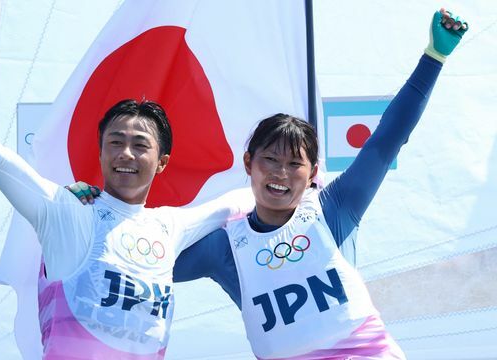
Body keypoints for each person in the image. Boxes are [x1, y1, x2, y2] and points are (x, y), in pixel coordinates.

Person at [70, 8, 468, 359]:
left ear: (312, 174)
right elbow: (135, 257)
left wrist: (434, 57)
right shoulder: (226, 246)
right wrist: (92, 212)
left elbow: (386, 141)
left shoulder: (334, 208)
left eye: (294, 164)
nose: (279, 173)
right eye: (270, 160)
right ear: (249, 164)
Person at [0, 58, 253, 358]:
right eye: (115, 142)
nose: (126, 154)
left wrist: (304, 180)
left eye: (139, 145)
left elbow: (236, 202)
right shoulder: (65, 212)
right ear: (101, 152)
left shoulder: (171, 227)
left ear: (161, 162)